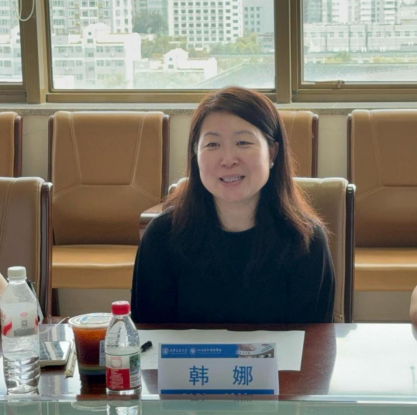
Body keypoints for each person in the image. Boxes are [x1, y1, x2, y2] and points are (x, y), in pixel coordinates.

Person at [131, 86, 335, 324]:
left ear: (272, 152)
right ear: (195, 155)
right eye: (212, 145)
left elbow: (313, 341)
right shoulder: (162, 237)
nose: (228, 160)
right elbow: (147, 336)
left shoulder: (305, 241)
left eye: (243, 142)